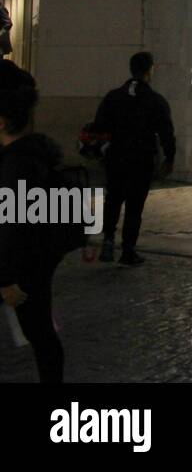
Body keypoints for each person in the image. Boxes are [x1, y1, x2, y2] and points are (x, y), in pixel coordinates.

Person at [0, 62, 91, 383]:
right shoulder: (34, 157)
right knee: (41, 334)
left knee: (40, 335)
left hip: (20, 271)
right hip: (35, 266)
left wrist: (7, 280)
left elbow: (12, 227)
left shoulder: (15, 166)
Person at [95, 51, 177, 266]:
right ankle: (128, 250)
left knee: (113, 200)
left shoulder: (113, 97)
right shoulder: (155, 100)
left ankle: (108, 239)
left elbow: (99, 126)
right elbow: (167, 132)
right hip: (142, 159)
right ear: (150, 70)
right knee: (134, 206)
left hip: (116, 157)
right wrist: (170, 157)